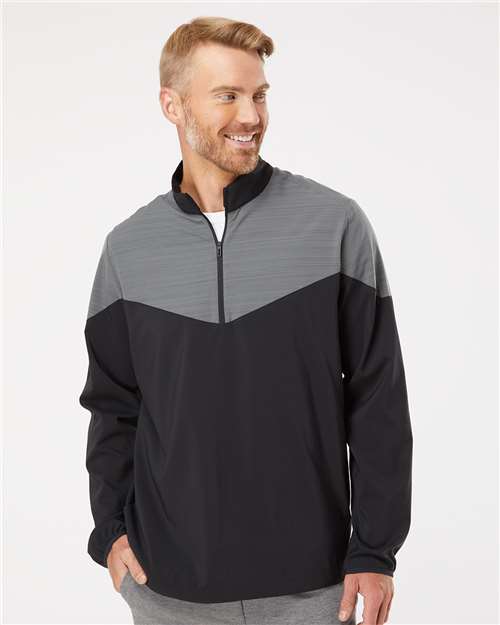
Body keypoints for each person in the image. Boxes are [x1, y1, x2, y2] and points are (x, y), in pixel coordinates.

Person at [79, 15, 413, 625]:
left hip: (315, 588)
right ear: (172, 105)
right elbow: (113, 407)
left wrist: (375, 549)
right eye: (227, 96)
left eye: (259, 95)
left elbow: (378, 397)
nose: (250, 116)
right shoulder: (128, 249)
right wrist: (111, 533)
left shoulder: (333, 224)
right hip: (166, 589)